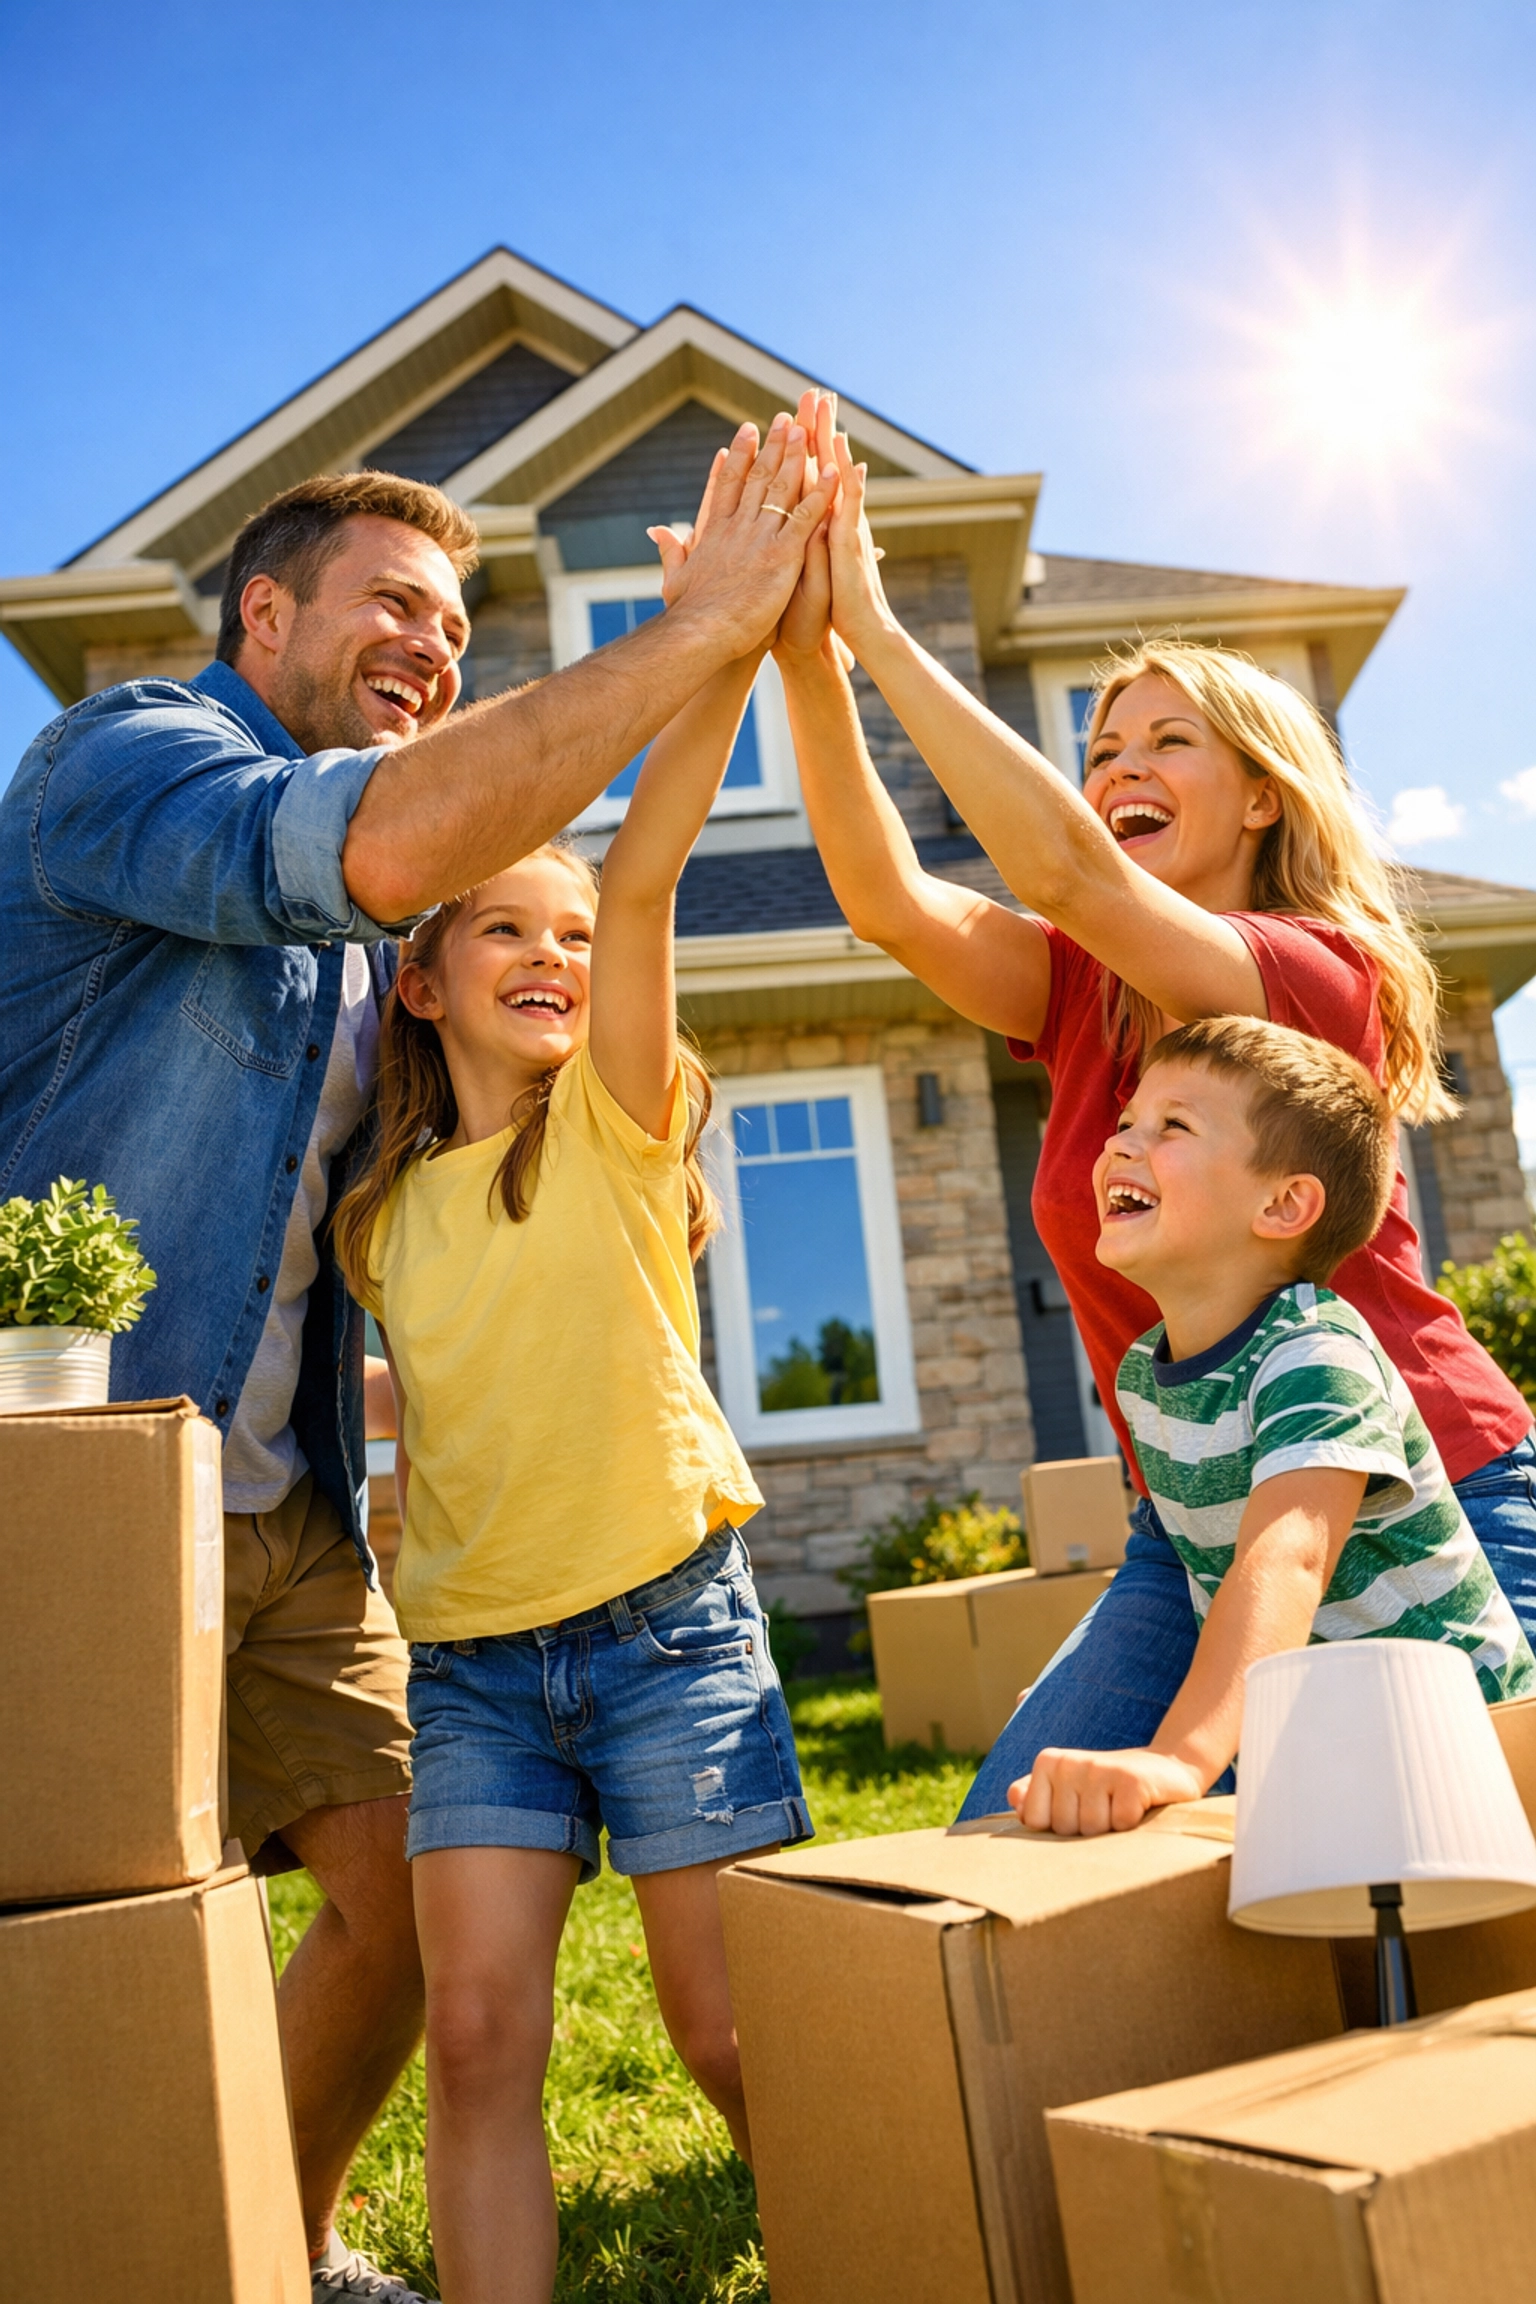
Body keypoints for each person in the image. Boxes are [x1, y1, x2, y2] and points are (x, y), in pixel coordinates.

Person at [0, 419, 832, 2299]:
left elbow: (576, 916)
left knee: (387, 1916)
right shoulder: (135, 758)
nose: (432, 643)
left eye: (457, 622)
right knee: (91, 1926)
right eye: (394, 601)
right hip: (94, 1471)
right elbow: (374, 849)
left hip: (292, 1506)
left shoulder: (414, 985)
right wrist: (689, 624)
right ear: (266, 605)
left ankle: (274, 2245)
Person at [763, 402, 1536, 1825]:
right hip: (1183, 1528)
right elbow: (886, 899)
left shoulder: (1319, 973)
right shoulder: (1079, 989)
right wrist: (804, 656)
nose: (1114, 769)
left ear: (1258, 797)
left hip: (1424, 1501)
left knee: (1444, 1883)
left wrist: (872, 618)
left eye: (1163, 742)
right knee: (1016, 1847)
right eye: (1099, 742)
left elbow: (1064, 869)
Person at [331, 550, 810, 2304]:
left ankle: (868, 2227)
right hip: (469, 1665)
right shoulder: (377, 1216)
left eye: (572, 934)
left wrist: (722, 638)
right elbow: (425, 1380)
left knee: (736, 2032)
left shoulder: (613, 1121)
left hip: (668, 1631)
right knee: (471, 2035)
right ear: (423, 981)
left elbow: (654, 862)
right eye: (504, 925)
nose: (554, 949)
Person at [1014, 1015, 1534, 1837]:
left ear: (1284, 1204)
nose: (1120, 1145)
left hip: (1466, 1745)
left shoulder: (1315, 1354)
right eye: (1124, 1124)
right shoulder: (1145, 1377)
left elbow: (1286, 1561)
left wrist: (1181, 1758)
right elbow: (1208, 1581)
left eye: (1171, 1127)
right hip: (1329, 1739)